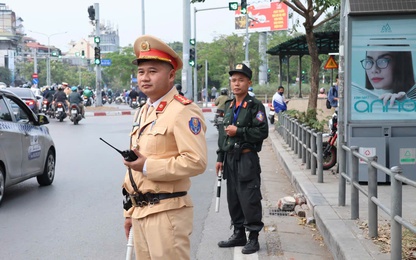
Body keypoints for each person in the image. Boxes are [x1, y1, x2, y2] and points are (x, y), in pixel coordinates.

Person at [122, 34, 208, 260]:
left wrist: (149, 166)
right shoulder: (143, 111)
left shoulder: (183, 111)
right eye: (141, 72)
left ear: (171, 75)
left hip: (167, 213)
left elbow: (196, 161)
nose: (145, 78)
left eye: (153, 71)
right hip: (140, 211)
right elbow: (133, 166)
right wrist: (129, 212)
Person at [215, 63, 268, 255]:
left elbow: (262, 132)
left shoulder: (255, 106)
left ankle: (253, 237)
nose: (236, 84)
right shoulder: (229, 106)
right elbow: (223, 135)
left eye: (241, 80)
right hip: (229, 159)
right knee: (234, 197)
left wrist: (240, 131)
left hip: (247, 159)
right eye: (234, 80)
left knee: (249, 197)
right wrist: (220, 157)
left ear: (249, 82)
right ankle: (238, 233)